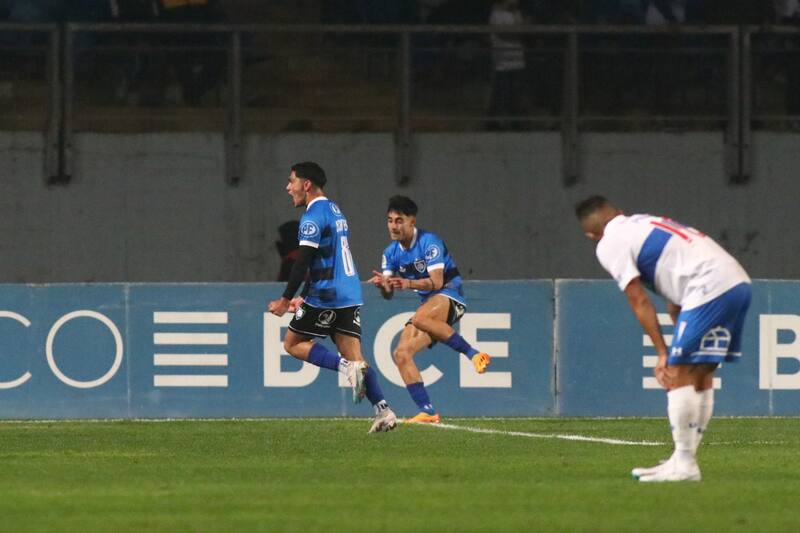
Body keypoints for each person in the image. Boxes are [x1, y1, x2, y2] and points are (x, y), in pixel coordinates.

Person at [575, 195, 751, 482]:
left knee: (678, 372)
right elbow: (673, 297)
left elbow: (638, 300)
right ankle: (683, 460)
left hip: (708, 286)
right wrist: (678, 340)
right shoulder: (644, 222)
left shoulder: (609, 242)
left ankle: (684, 464)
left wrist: (662, 352)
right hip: (736, 281)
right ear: (620, 212)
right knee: (699, 373)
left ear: (591, 235)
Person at [268, 162, 397, 433]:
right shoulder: (335, 211)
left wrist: (285, 299)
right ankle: (383, 410)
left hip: (327, 295)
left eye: (292, 181)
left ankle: (343, 367)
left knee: (292, 343)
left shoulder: (312, 217)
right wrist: (303, 296)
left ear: (307, 185)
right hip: (349, 293)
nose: (287, 187)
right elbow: (323, 258)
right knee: (356, 358)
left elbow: (302, 262)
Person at [369, 196, 491, 424]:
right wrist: (384, 285)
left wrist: (407, 283)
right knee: (401, 353)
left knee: (420, 317)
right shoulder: (390, 252)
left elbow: (436, 282)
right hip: (429, 309)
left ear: (412, 222)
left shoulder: (429, 242)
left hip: (450, 297)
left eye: (399, 221)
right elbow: (388, 293)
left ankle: (473, 354)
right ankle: (427, 410)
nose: (393, 226)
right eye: (390, 220)